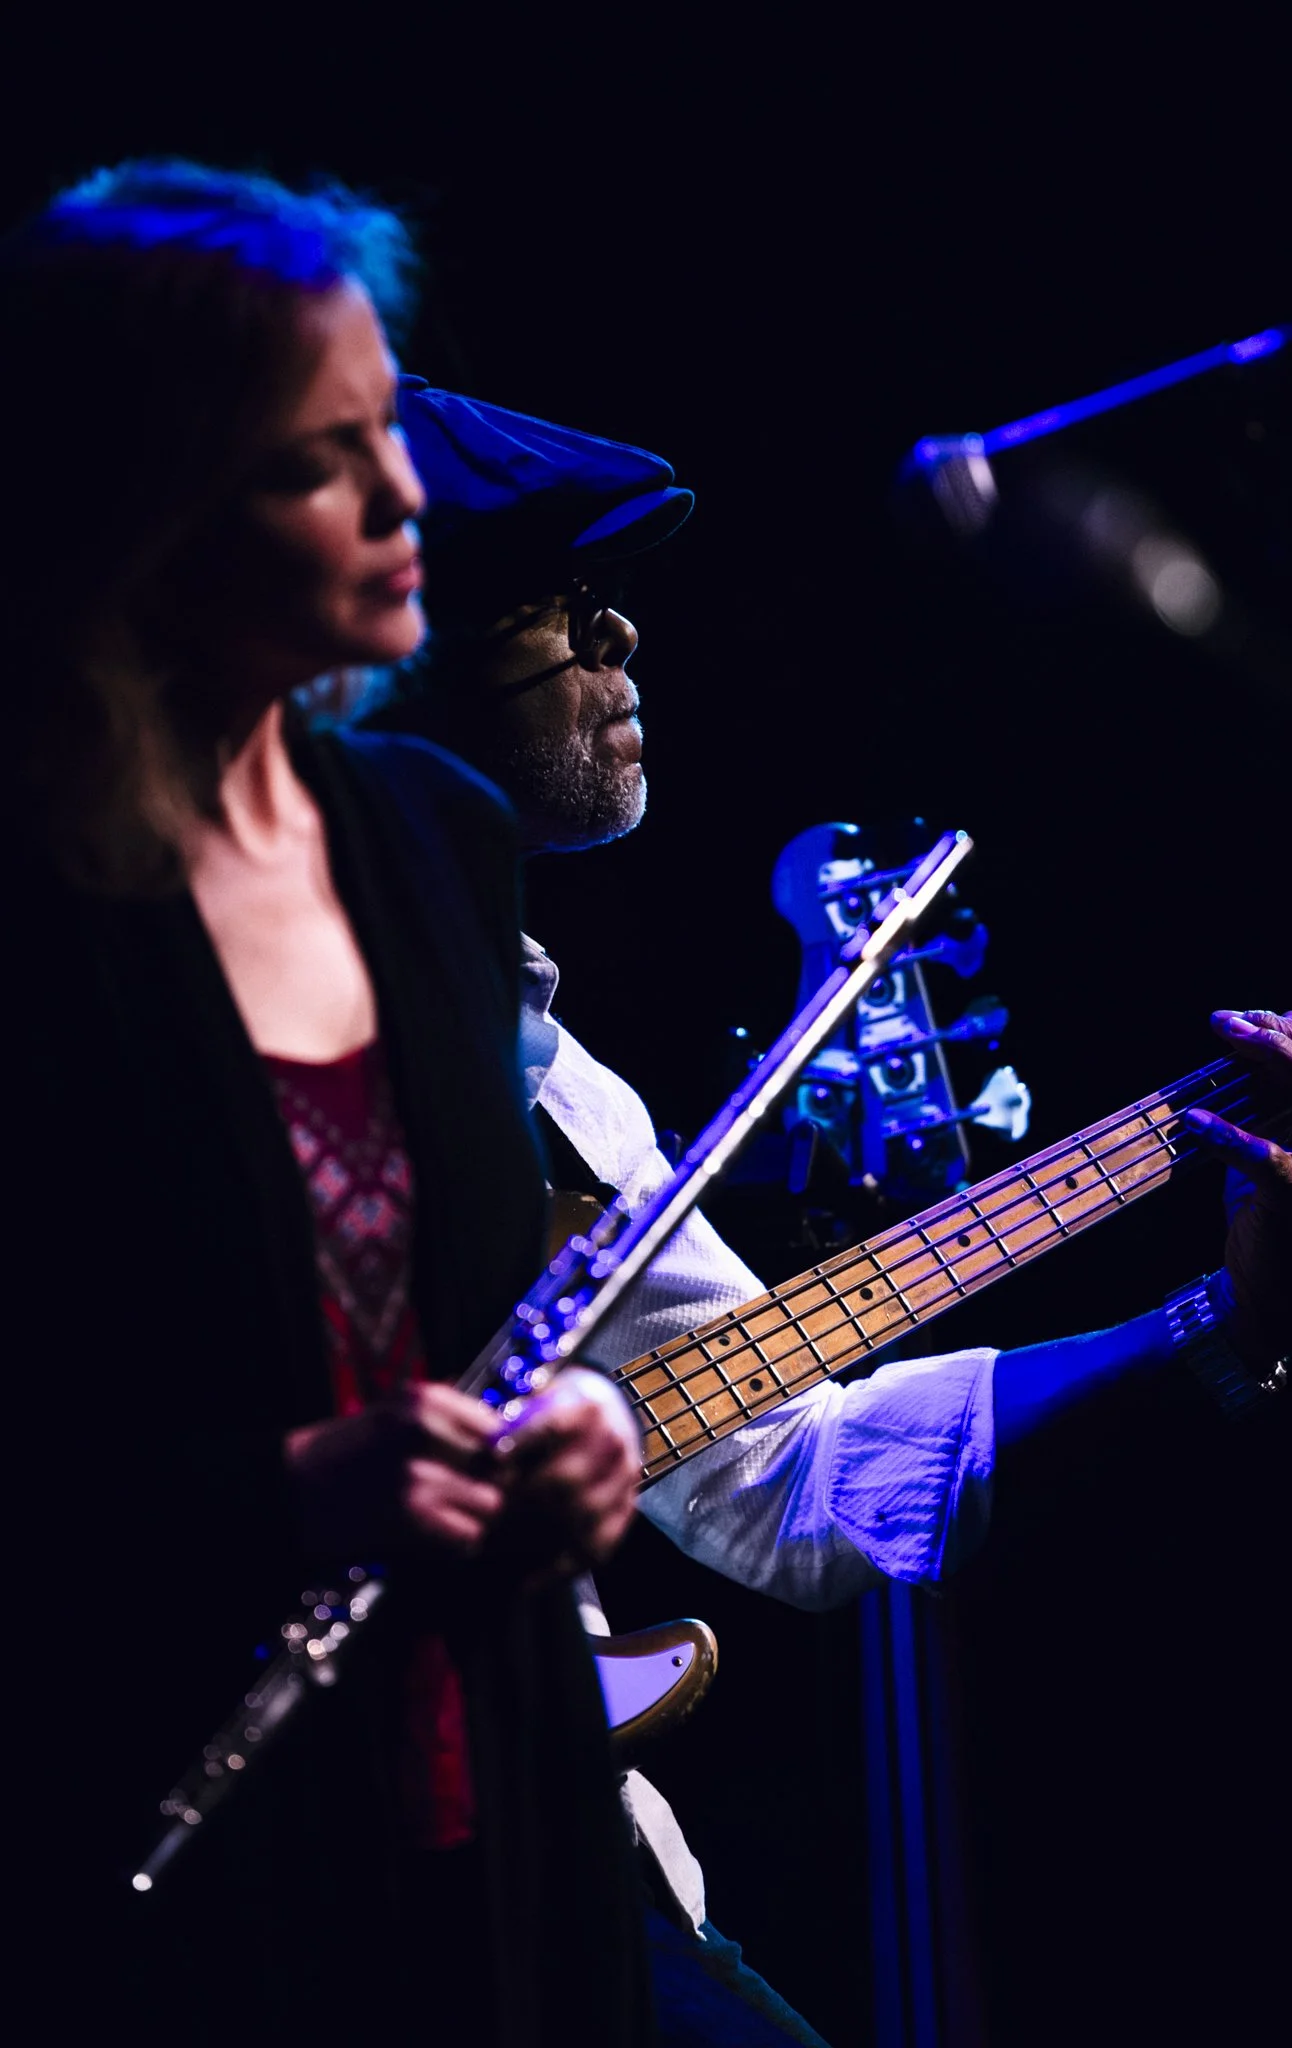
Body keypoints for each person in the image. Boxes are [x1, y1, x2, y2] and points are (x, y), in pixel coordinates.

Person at [363, 384, 1292, 2045]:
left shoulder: (571, 1097)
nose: (618, 633)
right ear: (391, 660)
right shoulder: (188, 1015)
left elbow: (791, 1475)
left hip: (547, 1854)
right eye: (556, 601)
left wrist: (1226, 1320)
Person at [3, 166, 651, 2045]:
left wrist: (586, 1431)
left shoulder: (436, 843)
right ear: (145, 513)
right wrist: (278, 1494)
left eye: (390, 432)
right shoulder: (43, 897)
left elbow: (465, 1327)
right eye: (320, 460)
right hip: (169, 1871)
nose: (404, 501)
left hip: (490, 1825)